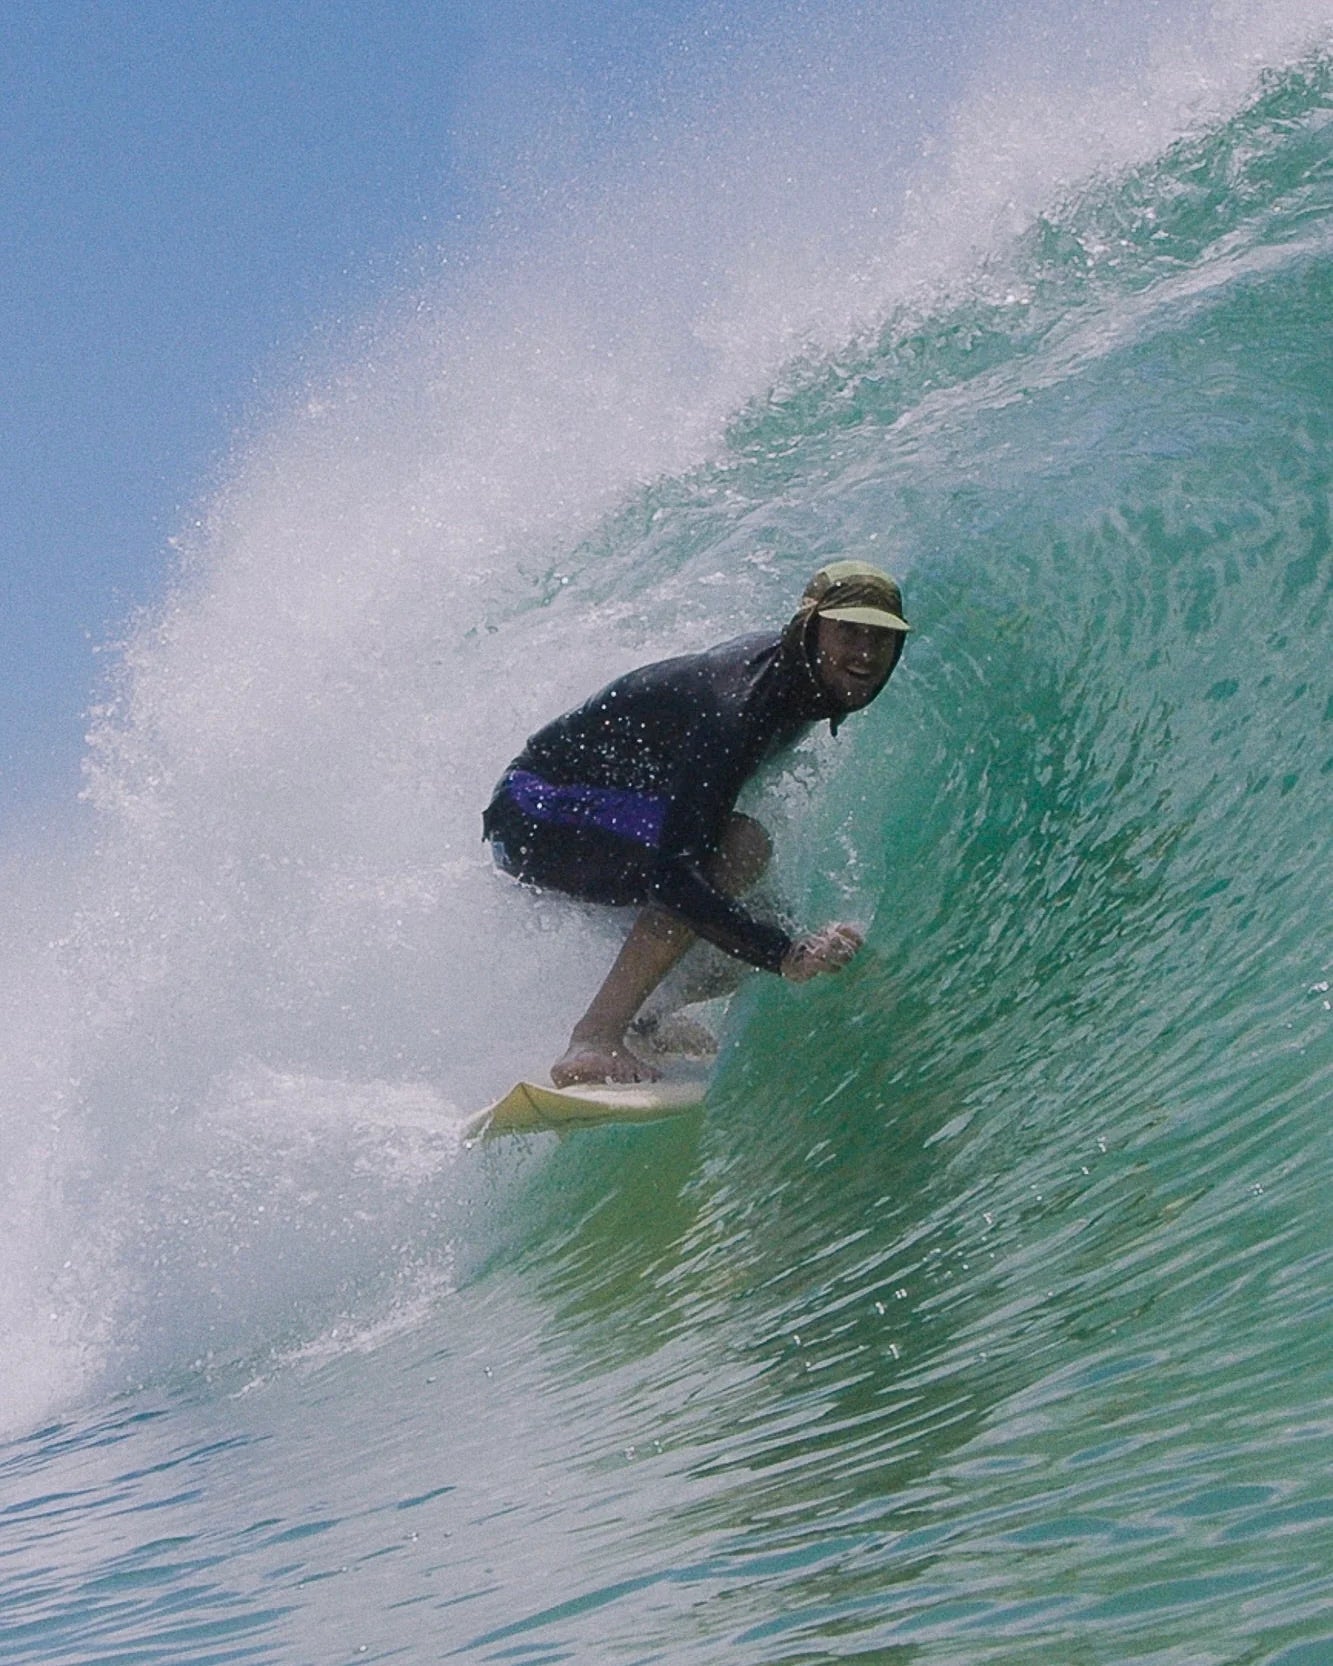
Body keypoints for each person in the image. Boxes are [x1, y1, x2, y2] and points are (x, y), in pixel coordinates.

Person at [482, 559, 909, 1086]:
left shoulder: (798, 682)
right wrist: (784, 953)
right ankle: (594, 1037)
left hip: (601, 809)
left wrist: (786, 944)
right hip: (536, 810)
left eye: (881, 637)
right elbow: (673, 878)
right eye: (849, 632)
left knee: (756, 916)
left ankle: (645, 1020)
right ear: (810, 628)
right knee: (740, 849)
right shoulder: (740, 704)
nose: (865, 653)